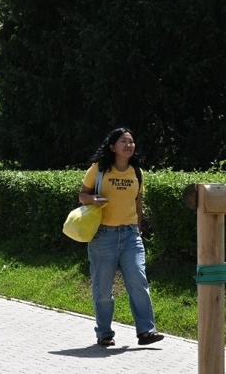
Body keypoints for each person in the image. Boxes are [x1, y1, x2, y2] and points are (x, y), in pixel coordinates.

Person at [79, 127, 164, 347]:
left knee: (138, 281)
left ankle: (146, 331)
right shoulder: (98, 169)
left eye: (131, 142)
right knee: (103, 288)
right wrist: (93, 199)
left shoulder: (137, 172)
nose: (129, 145)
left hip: (130, 235)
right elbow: (82, 195)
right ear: (112, 146)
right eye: (124, 141)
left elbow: (137, 201)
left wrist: (138, 227)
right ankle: (104, 333)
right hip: (103, 235)